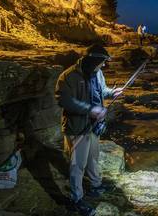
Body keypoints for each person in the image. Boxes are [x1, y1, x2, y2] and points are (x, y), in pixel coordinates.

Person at [55, 44, 124, 216]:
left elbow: (101, 91)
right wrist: (90, 110)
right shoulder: (69, 76)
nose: (104, 65)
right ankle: (76, 199)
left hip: (94, 127)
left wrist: (112, 92)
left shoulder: (97, 73)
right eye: (103, 62)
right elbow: (64, 101)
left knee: (93, 157)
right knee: (77, 165)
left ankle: (96, 185)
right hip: (77, 127)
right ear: (94, 60)